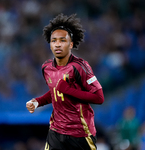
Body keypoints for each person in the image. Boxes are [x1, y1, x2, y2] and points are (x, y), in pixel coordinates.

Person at [26, 13, 104, 150]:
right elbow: (55, 92)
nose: (57, 44)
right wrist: (38, 101)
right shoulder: (46, 68)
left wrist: (69, 90)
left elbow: (99, 97)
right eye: (54, 40)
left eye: (62, 40)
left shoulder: (80, 67)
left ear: (71, 44)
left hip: (80, 133)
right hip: (56, 131)